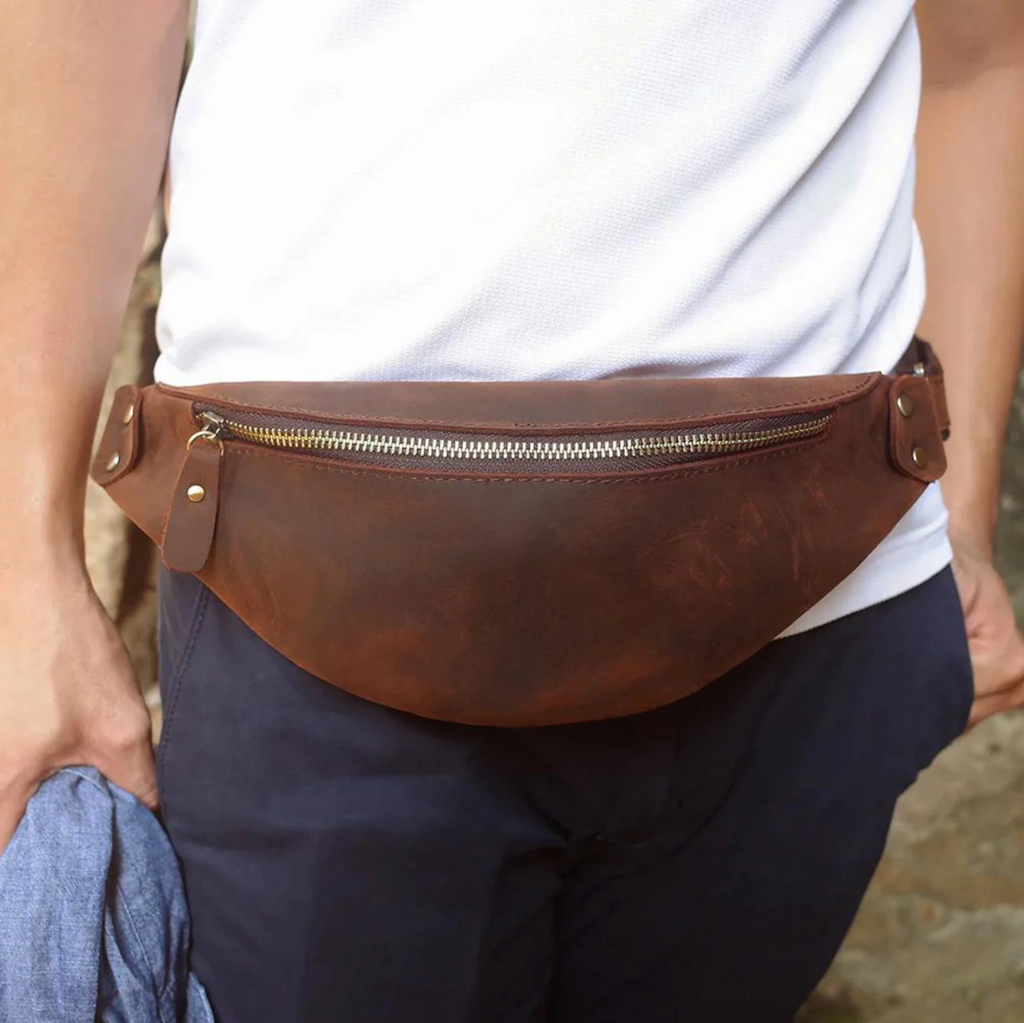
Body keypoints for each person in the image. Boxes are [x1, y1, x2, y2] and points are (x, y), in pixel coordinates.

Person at [1, 1, 1022, 1021]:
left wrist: (958, 512)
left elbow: (980, 57)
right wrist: (24, 575)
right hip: (305, 609)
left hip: (816, 607)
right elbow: (81, 29)